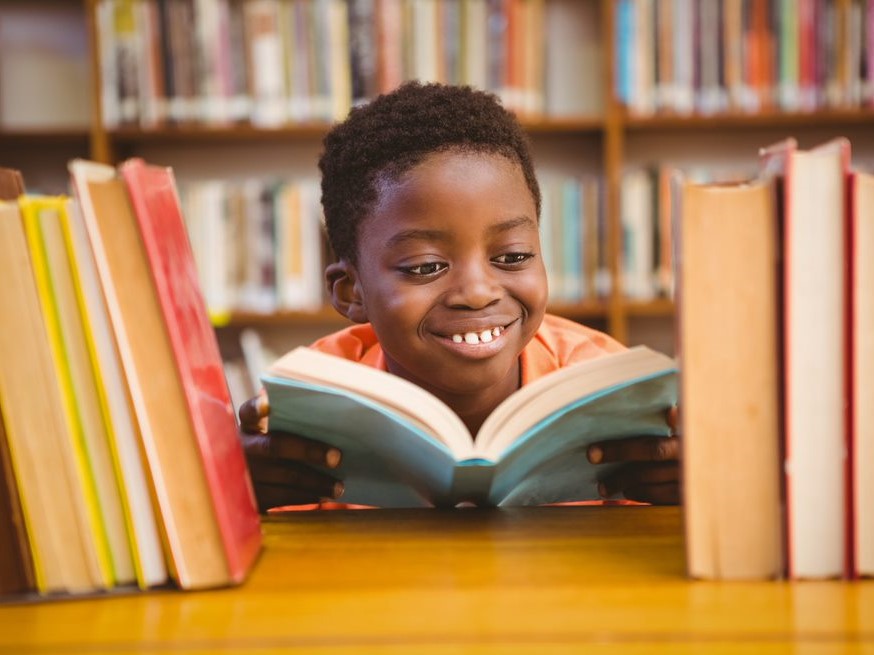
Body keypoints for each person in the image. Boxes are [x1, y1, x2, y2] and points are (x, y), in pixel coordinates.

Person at [239, 81, 679, 511]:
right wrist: (235, 492)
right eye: (425, 266)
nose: (477, 293)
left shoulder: (602, 381)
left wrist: (687, 485)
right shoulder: (316, 402)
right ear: (352, 291)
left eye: (512, 256)